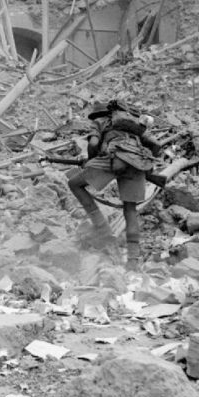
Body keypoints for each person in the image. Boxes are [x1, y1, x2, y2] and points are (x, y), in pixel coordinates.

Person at [68, 99, 163, 270]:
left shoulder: (100, 122)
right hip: (137, 162)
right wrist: (147, 167)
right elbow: (156, 145)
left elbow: (93, 144)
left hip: (113, 158)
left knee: (74, 184)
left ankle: (103, 230)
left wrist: (91, 161)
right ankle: (133, 261)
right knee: (130, 209)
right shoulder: (133, 124)